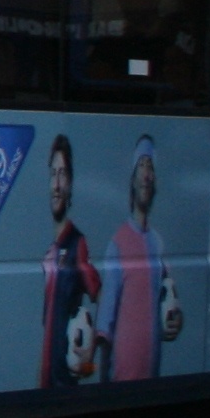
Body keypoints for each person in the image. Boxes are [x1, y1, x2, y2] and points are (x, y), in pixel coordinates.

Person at [98, 134, 182, 383]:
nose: (146, 175)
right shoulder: (118, 243)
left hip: (152, 377)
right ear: (132, 179)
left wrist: (177, 321)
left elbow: (170, 299)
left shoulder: (157, 243)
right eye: (141, 166)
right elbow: (105, 324)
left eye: (150, 167)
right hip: (123, 378)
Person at [38, 130, 104, 388]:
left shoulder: (77, 244)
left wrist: (91, 351)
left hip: (64, 385)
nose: (56, 185)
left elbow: (104, 299)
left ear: (71, 183)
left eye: (62, 174)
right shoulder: (49, 254)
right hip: (46, 384)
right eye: (52, 174)